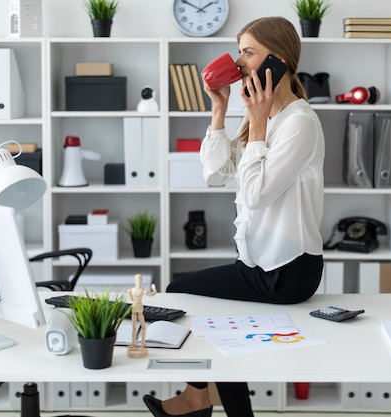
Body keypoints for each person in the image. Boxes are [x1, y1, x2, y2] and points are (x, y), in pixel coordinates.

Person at [143, 16, 325, 417]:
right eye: (239, 50)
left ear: (276, 61)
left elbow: (256, 195)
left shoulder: (299, 124)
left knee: (180, 291)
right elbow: (216, 174)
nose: (238, 62)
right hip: (259, 263)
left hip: (287, 269)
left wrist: (257, 124)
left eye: (248, 52)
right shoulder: (261, 115)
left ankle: (196, 398)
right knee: (219, 318)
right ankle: (206, 402)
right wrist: (219, 109)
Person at [127, 273, 157, 357]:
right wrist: (129, 293)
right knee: (134, 327)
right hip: (134, 308)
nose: (138, 281)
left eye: (140, 280)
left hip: (139, 308)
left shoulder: (142, 290)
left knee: (143, 326)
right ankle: (134, 343)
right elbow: (132, 299)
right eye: (137, 280)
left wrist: (154, 290)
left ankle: (142, 343)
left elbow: (151, 295)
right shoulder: (133, 290)